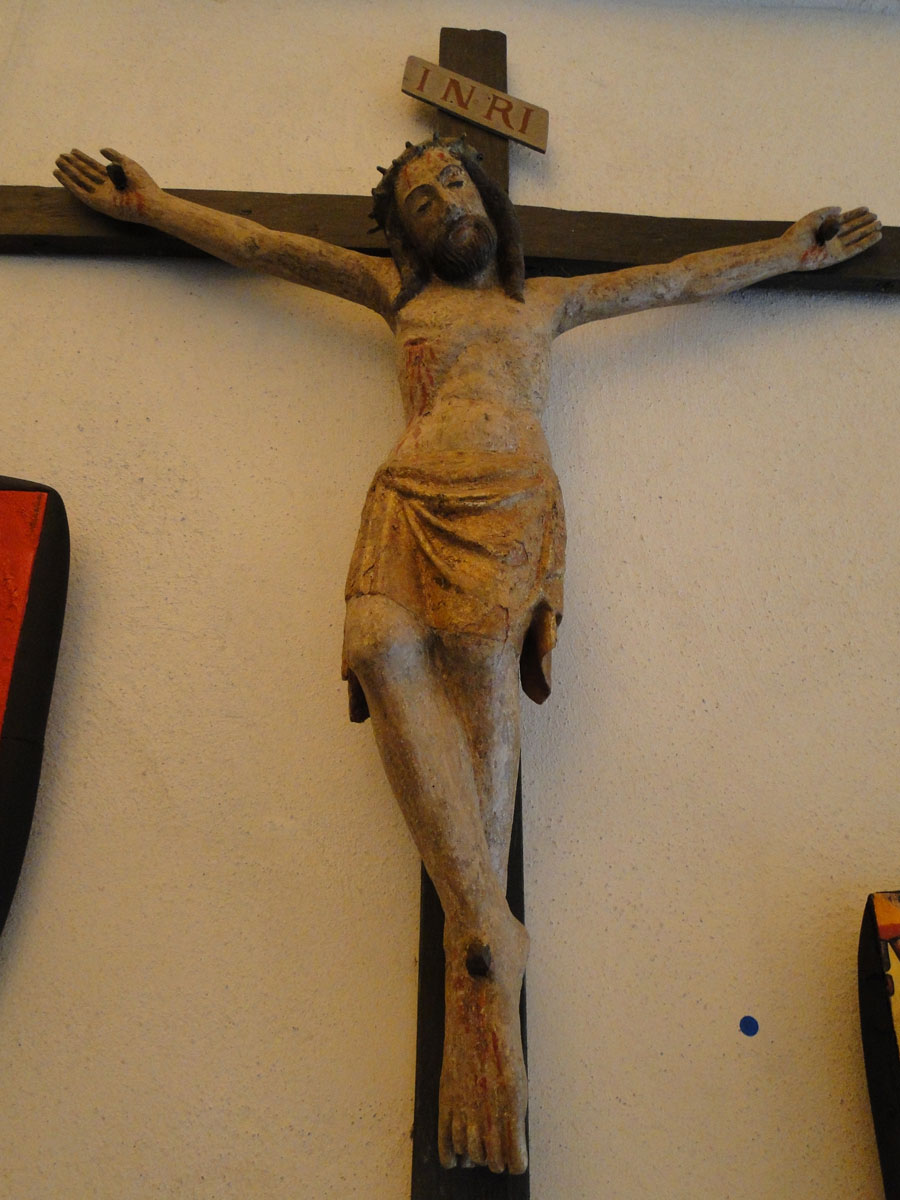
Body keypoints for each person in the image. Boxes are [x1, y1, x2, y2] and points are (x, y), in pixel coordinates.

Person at [53, 139, 881, 1175]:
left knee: (483, 702)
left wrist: (788, 251)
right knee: (371, 643)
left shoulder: (547, 305)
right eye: (420, 200)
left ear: (486, 197)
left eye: (453, 183)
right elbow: (266, 247)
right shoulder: (398, 300)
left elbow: (673, 280)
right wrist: (155, 207)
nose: (444, 202)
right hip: (405, 501)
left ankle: (479, 954)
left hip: (506, 516)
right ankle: (490, 926)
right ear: (405, 235)